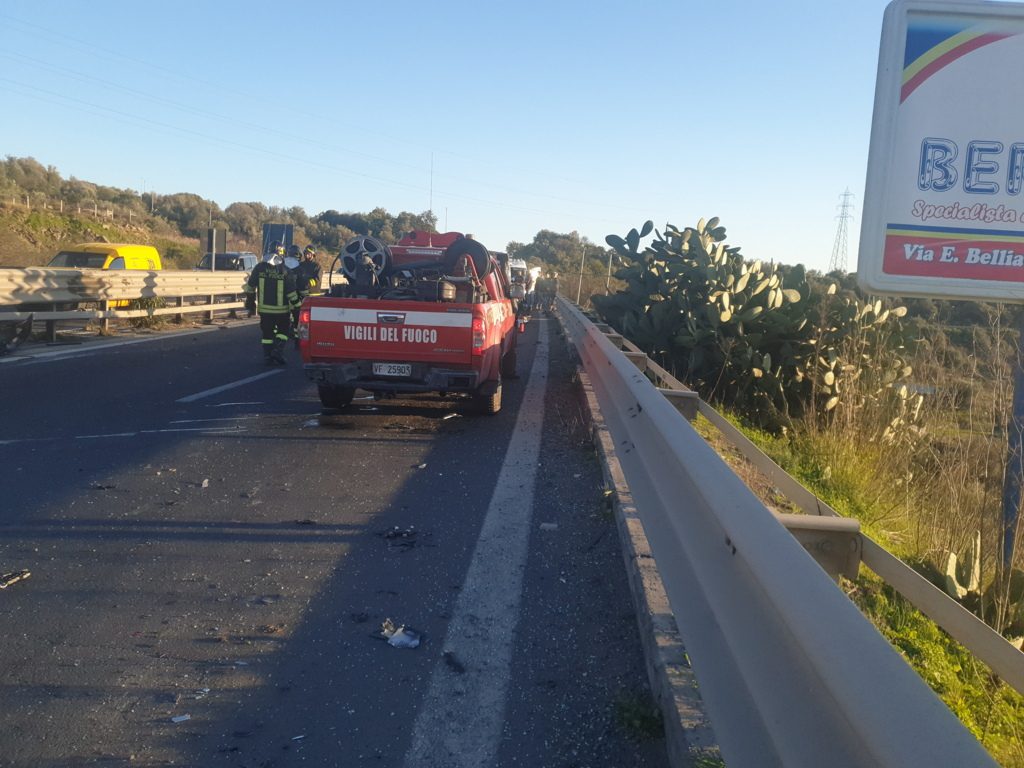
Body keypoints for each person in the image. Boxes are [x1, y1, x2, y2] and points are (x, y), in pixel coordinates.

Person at [244, 242, 300, 365]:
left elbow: (250, 287)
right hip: (281, 311)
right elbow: (291, 293)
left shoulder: (259, 268)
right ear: (282, 253)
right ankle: (278, 350)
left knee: (267, 334)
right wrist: (298, 306)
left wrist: (250, 302)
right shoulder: (285, 271)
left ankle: (267, 356)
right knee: (283, 331)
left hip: (264, 311)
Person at [290, 245, 323, 347]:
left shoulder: (317, 266)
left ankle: (313, 339)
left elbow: (317, 280)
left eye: (309, 253)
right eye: (306, 253)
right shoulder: (301, 265)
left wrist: (307, 282)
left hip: (313, 296)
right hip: (301, 295)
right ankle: (297, 339)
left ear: (313, 255)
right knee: (298, 318)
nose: (307, 255)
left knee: (312, 320)